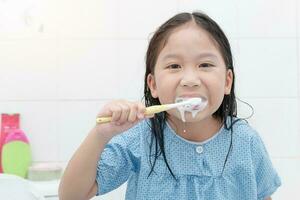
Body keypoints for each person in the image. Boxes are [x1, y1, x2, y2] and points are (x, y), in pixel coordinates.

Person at [58, 12, 281, 200]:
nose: (190, 79)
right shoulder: (141, 138)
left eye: (205, 64)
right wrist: (100, 135)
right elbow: (72, 195)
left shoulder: (246, 141)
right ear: (153, 85)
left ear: (227, 81)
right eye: (174, 66)